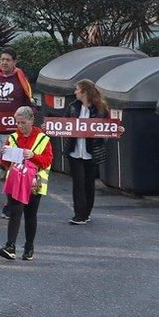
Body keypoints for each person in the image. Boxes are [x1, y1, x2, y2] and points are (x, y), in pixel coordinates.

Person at [0, 105, 52, 261]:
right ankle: (10, 246)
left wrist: (33, 156)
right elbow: (5, 163)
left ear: (32, 120)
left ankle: (29, 247)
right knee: (15, 211)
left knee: (30, 214)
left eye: (23, 122)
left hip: (35, 181)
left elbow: (47, 161)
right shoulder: (13, 138)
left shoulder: (43, 139)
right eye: (17, 122)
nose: (20, 126)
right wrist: (3, 155)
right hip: (16, 180)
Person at [66, 79, 110, 225]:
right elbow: (63, 124)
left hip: (92, 151)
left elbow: (108, 127)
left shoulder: (101, 109)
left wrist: (118, 130)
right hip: (75, 151)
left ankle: (86, 213)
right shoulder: (73, 107)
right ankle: (79, 214)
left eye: (77, 89)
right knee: (78, 182)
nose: (75, 92)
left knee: (89, 183)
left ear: (84, 91)